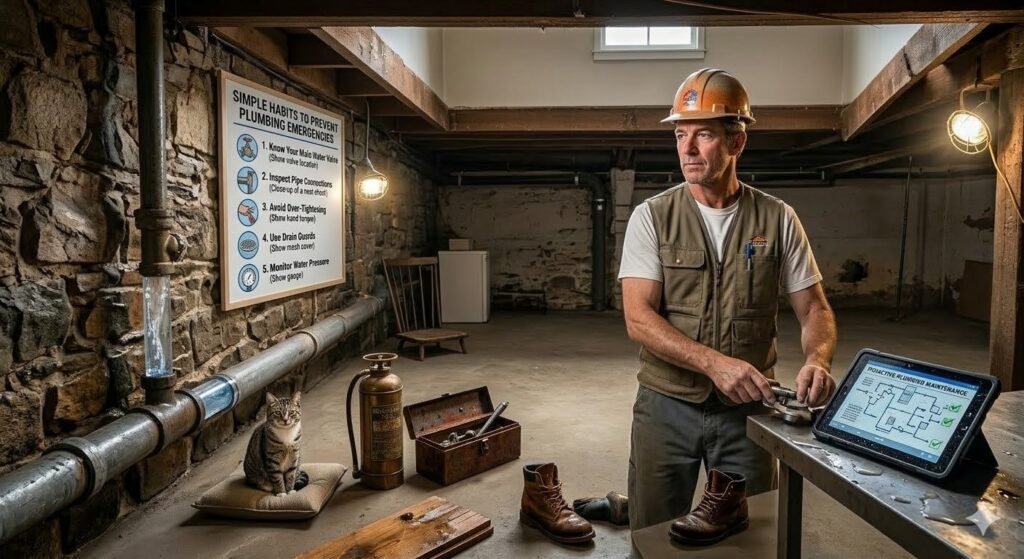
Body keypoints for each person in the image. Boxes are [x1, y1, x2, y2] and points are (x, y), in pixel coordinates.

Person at [618, 68, 838, 531]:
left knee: (752, 532)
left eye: (703, 135)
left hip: (749, 411)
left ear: (737, 143)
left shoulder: (778, 219)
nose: (688, 149)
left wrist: (818, 359)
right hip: (666, 405)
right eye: (681, 135)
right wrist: (714, 364)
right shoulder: (652, 217)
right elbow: (638, 319)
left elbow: (814, 307)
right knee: (653, 528)